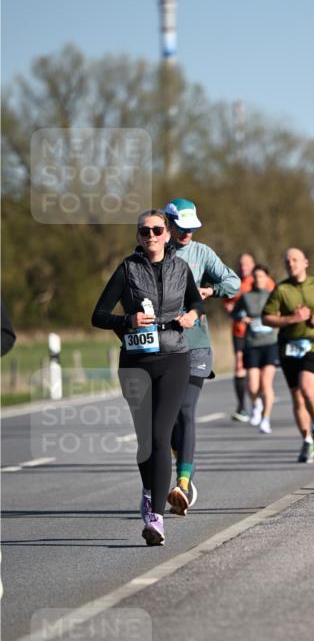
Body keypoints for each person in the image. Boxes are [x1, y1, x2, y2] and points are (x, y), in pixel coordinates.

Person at [92, 210, 204, 545]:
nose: (151, 236)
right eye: (144, 231)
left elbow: (197, 303)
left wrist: (192, 316)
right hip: (136, 364)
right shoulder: (127, 269)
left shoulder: (180, 268)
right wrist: (128, 321)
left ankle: (155, 518)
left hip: (173, 358)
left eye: (157, 230)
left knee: (159, 436)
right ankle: (149, 489)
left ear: (168, 234)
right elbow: (98, 315)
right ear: (139, 236)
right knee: (145, 441)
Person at [162, 199, 240, 515]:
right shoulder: (152, 252)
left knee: (185, 409)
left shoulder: (201, 252)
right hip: (162, 345)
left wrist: (211, 291)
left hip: (195, 343)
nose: (187, 234)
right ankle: (184, 465)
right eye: (182, 227)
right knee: (165, 420)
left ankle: (182, 482)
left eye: (192, 228)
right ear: (168, 223)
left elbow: (233, 282)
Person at [263, 248, 314, 462]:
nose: (291, 264)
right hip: (288, 347)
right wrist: (292, 319)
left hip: (312, 344)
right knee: (297, 397)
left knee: (307, 388)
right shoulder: (281, 289)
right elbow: (266, 318)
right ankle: (307, 441)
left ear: (305, 262)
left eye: (295, 260)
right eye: (287, 261)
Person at [233, 264, 279, 433]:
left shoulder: (274, 296)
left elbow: (283, 311)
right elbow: (235, 313)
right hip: (252, 344)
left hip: (270, 343)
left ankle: (266, 419)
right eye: (256, 277)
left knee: (266, 384)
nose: (259, 279)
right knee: (252, 386)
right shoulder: (246, 297)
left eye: (262, 276)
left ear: (267, 278)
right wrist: (242, 317)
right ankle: (256, 404)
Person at [223, 251, 257, 421]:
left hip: (256, 332)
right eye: (241, 264)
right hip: (238, 331)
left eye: (246, 264)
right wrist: (230, 309)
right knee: (239, 364)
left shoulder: (259, 281)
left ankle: (257, 404)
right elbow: (227, 301)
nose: (243, 267)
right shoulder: (233, 282)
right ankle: (242, 407)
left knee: (254, 369)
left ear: (253, 265)